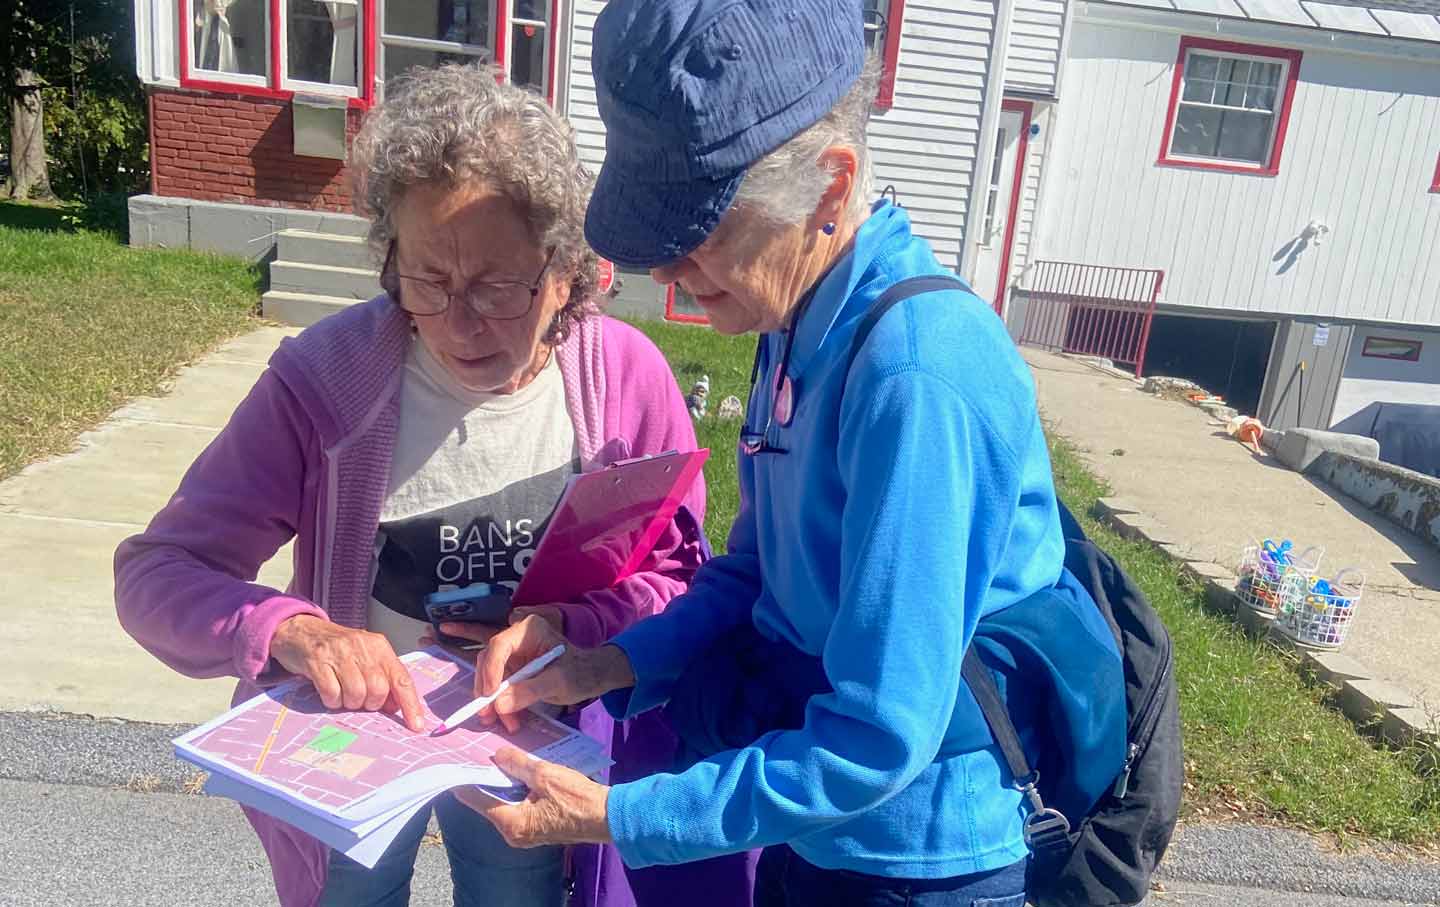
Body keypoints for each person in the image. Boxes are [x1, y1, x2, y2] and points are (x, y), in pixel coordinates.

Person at [452, 2, 1128, 906]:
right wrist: (610, 660)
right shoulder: (797, 319)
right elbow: (755, 577)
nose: (668, 270)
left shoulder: (916, 371)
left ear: (831, 187)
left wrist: (620, 815)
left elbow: (879, 736)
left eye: (702, 232)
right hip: (814, 824)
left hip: (922, 862)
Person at [114, 63, 754, 907]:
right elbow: (157, 572)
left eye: (495, 286)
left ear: (566, 271)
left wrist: (570, 625)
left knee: (514, 889)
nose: (458, 323)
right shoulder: (326, 379)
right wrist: (295, 632)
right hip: (356, 754)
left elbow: (674, 580)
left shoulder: (624, 378)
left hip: (528, 742)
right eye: (426, 280)